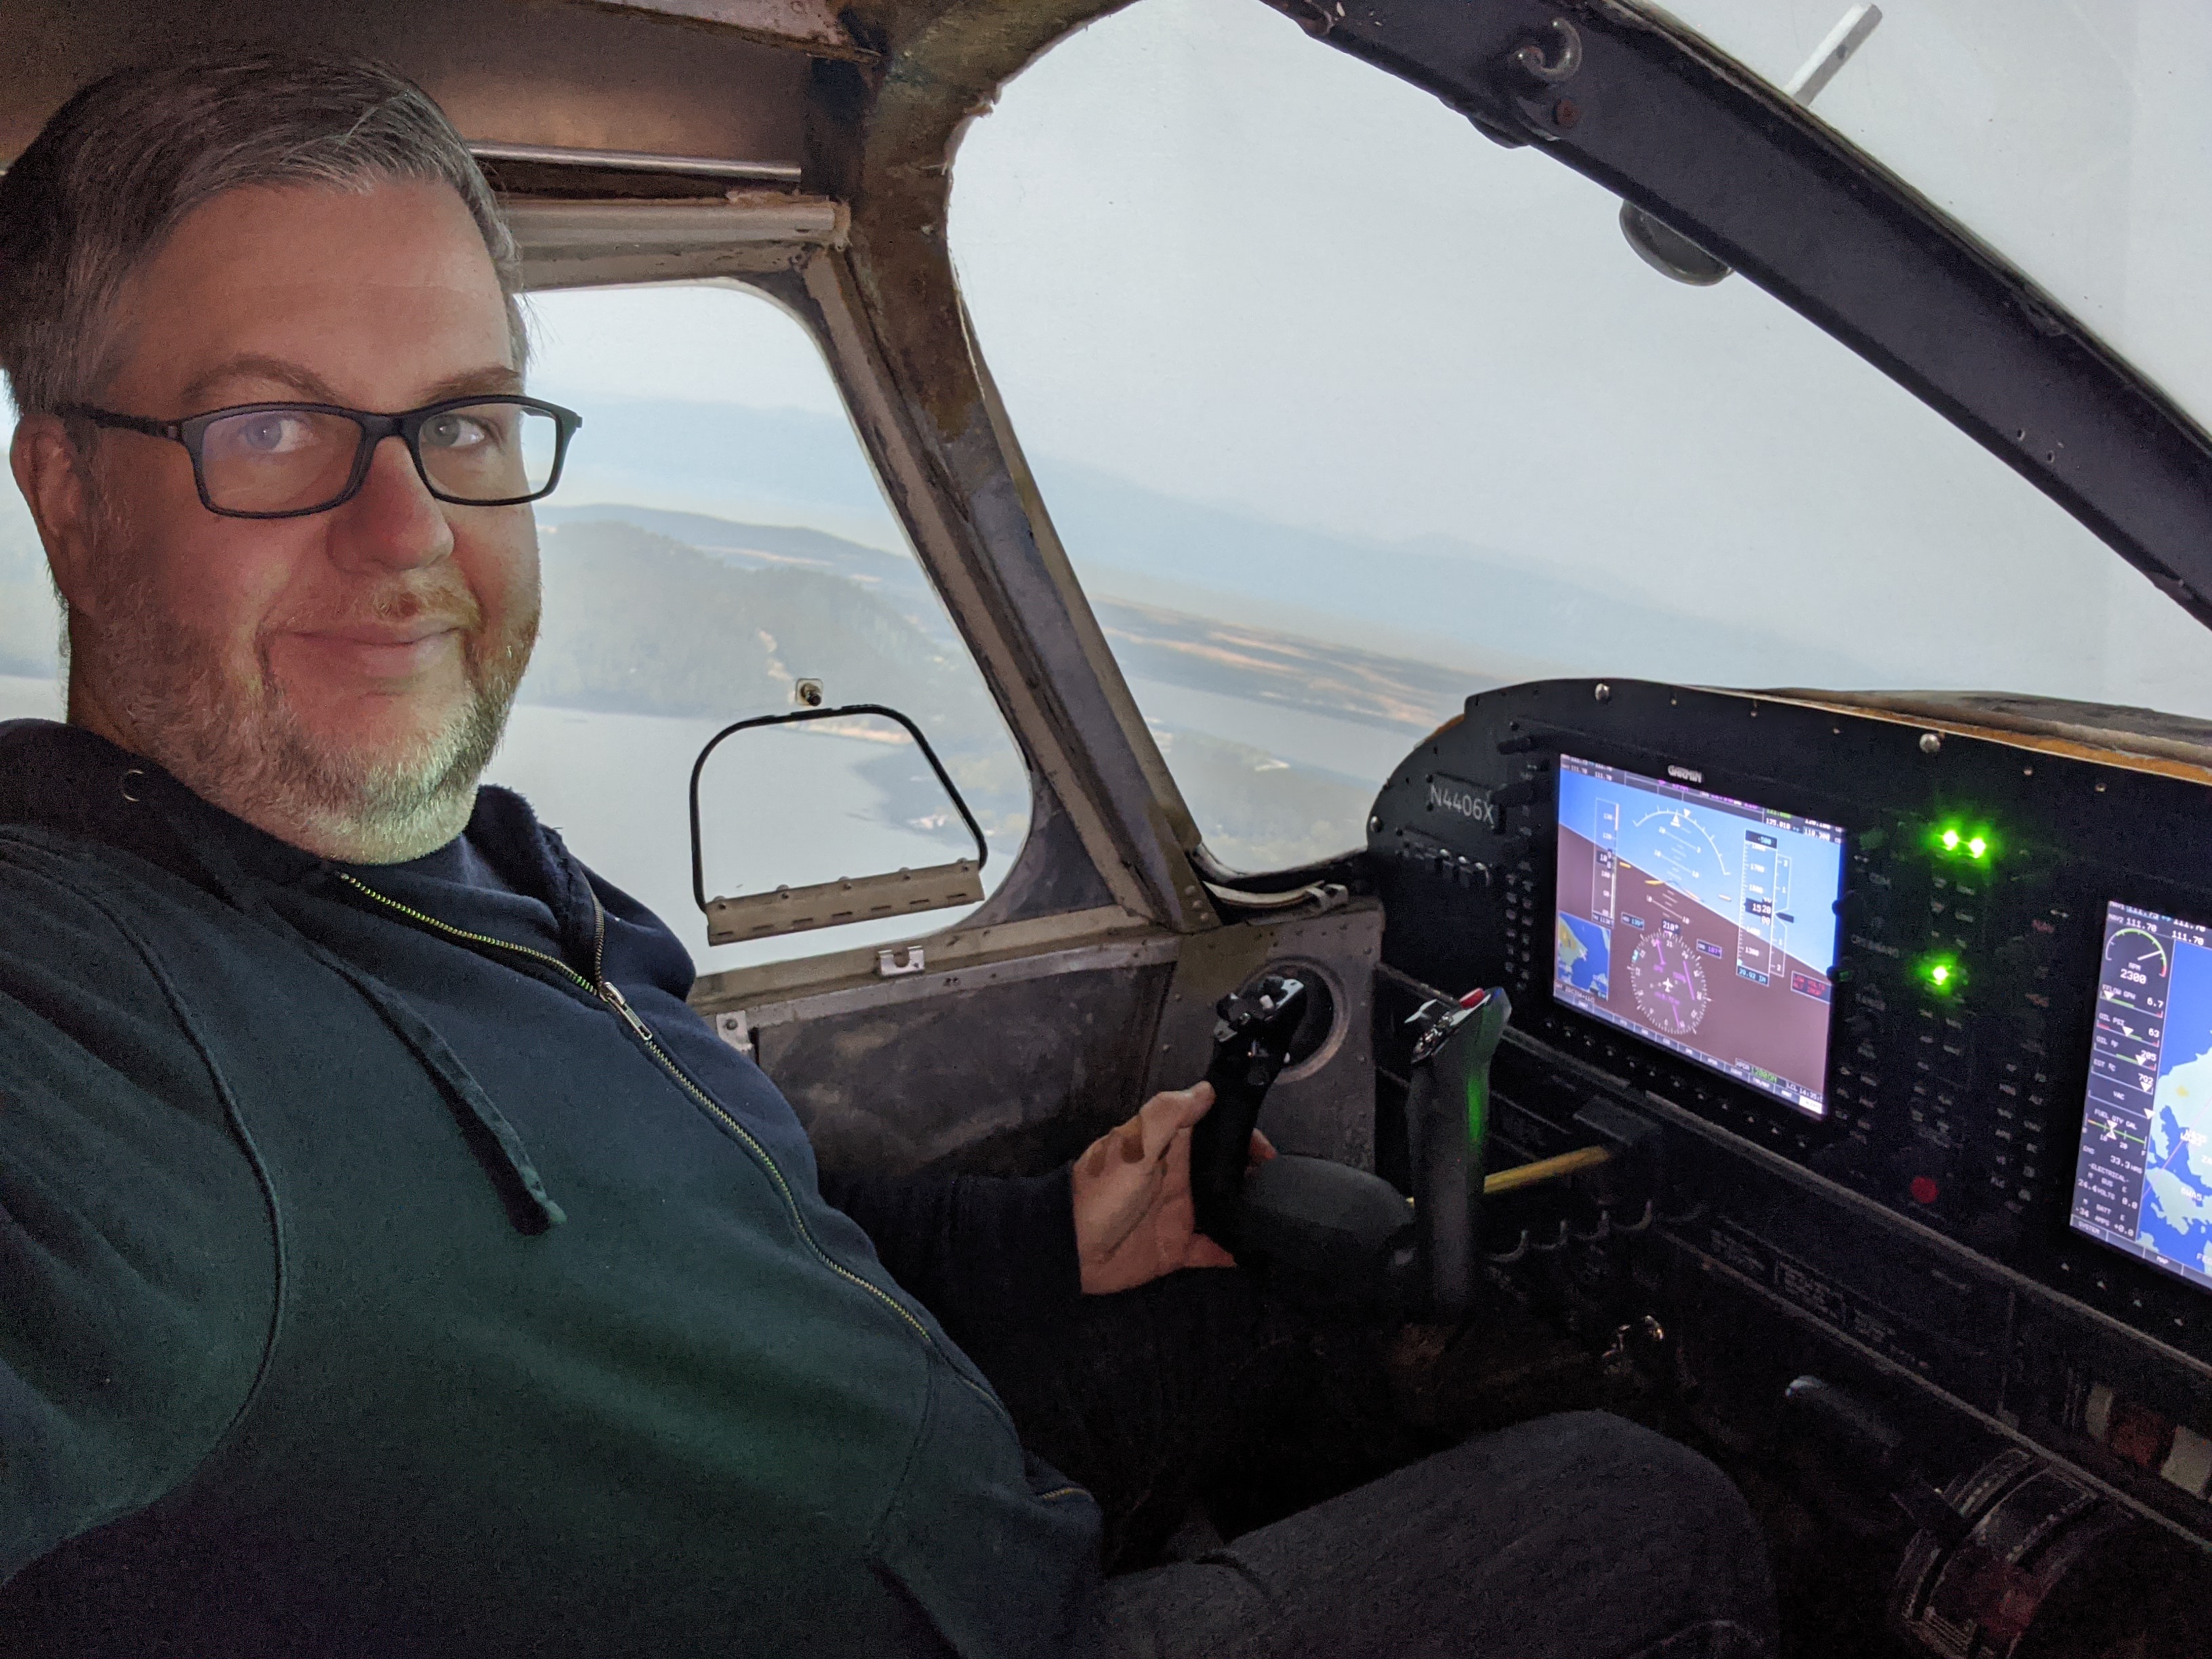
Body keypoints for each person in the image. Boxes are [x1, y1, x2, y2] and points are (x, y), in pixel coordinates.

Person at [0, 48, 1779, 1658]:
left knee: (1272, 1318)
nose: (410, 544)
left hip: (974, 1489)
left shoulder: (505, 873)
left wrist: (1047, 1246)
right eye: (272, 428)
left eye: (461, 422)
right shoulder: (88, 1014)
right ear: (65, 493)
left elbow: (751, 1216)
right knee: (1648, 1508)